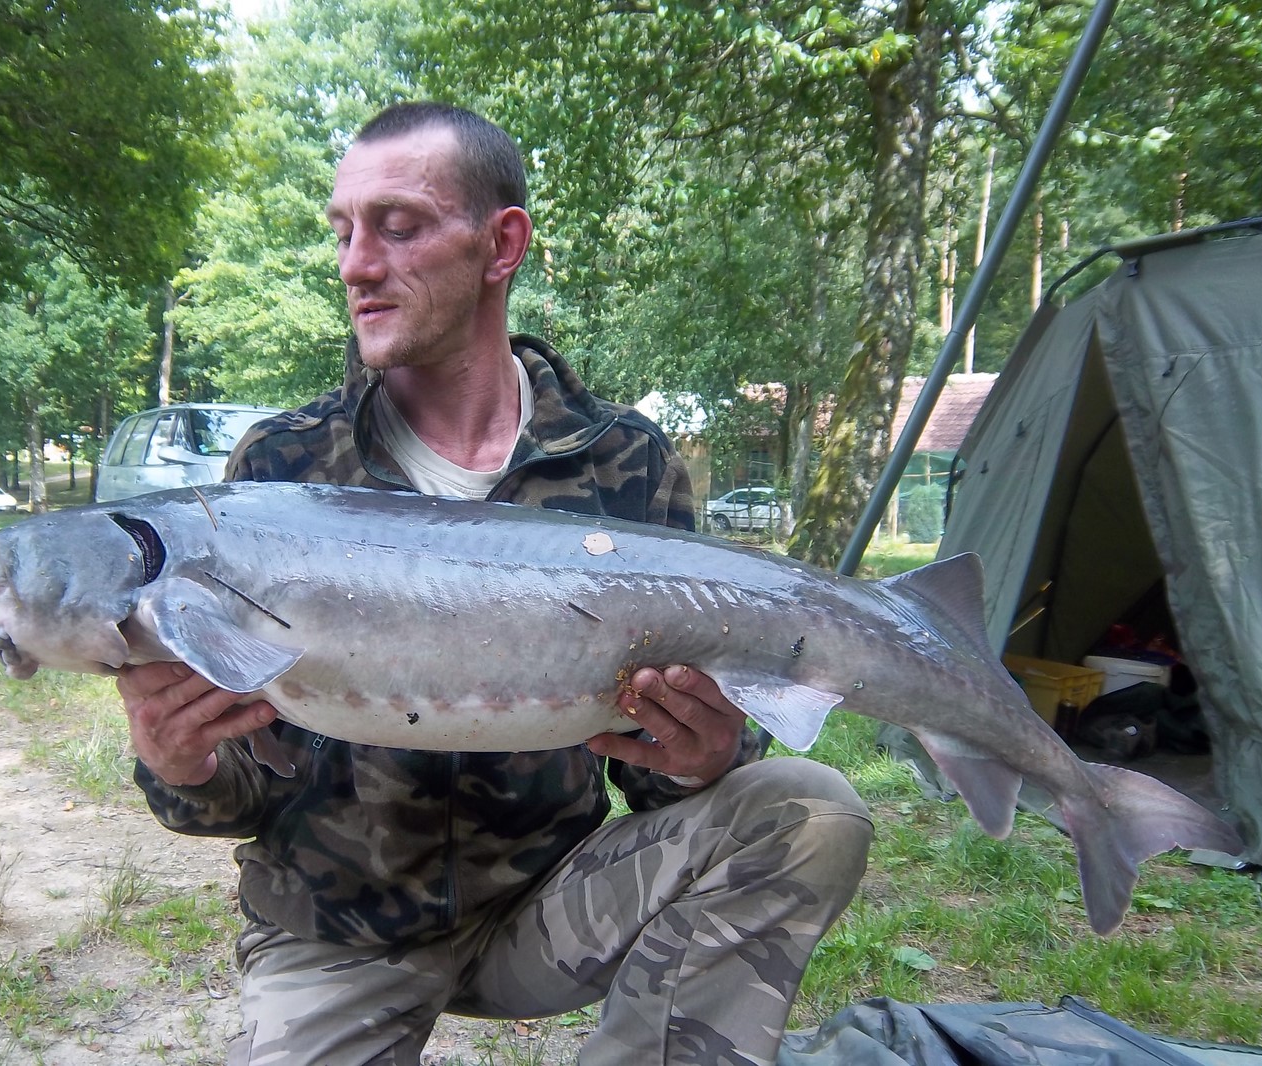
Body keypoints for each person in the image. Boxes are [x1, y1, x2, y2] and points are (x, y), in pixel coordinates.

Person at [118, 101, 872, 1066]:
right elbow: (236, 798)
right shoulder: (280, 472)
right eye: (343, 232)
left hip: (551, 908)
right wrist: (176, 762)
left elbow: (659, 776)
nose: (355, 264)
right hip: (336, 930)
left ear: (501, 244)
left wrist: (702, 754)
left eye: (398, 226)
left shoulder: (624, 464)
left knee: (807, 807)